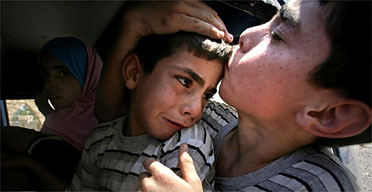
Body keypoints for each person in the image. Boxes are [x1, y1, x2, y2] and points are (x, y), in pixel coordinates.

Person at [95, 0, 371, 191]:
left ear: (328, 114)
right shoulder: (209, 115)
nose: (247, 35)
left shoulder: (320, 187)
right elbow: (111, 119)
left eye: (278, 35)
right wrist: (134, 24)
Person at [69, 32, 231, 191]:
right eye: (184, 81)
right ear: (134, 73)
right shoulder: (98, 142)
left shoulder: (188, 145)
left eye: (206, 95)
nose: (196, 111)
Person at [1, 36, 103, 190]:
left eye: (63, 73)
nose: (50, 84)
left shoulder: (108, 118)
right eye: (47, 75)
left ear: (87, 74)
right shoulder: (67, 118)